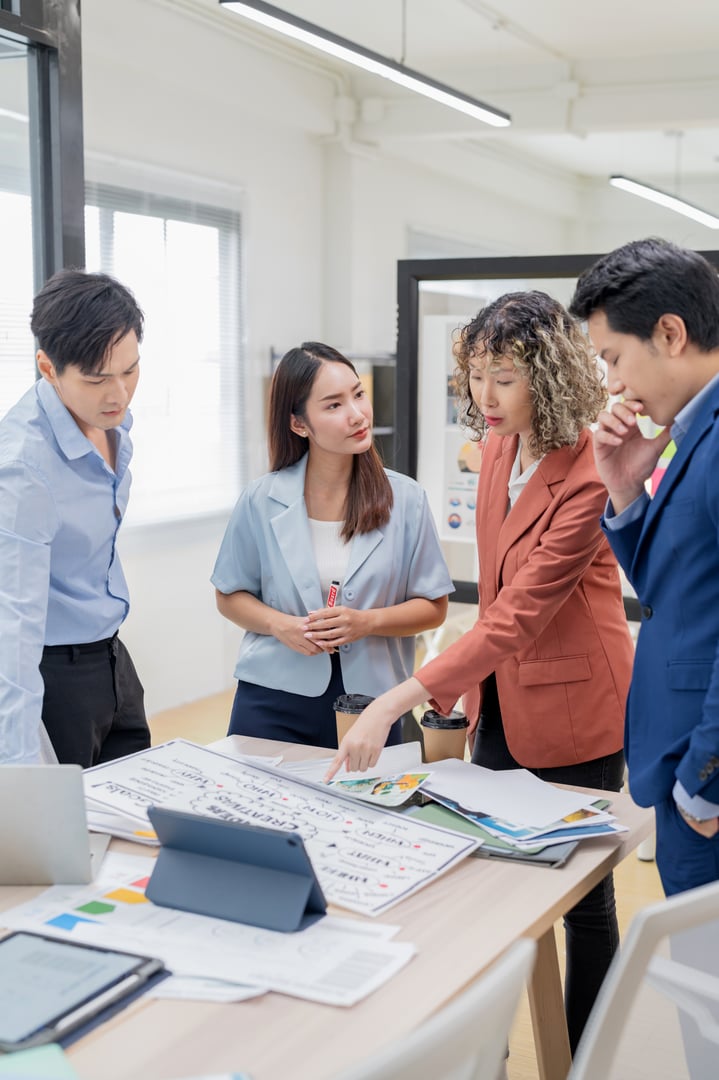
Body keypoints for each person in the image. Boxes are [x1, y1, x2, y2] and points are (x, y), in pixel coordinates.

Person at [325, 292, 634, 1052]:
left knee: (580, 900)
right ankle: (489, 1053)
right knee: (497, 882)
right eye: (474, 375)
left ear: (550, 375)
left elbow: (519, 614)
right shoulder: (497, 446)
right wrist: (459, 696)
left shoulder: (589, 469)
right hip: (501, 696)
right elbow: (491, 590)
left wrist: (397, 696)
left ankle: (588, 1055)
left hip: (574, 705)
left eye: (502, 377)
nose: (482, 397)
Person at [569, 237, 719, 898]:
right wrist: (628, 490)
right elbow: (673, 592)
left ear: (669, 332)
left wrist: (701, 787)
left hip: (703, 778)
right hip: (679, 762)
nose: (611, 383)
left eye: (612, 358)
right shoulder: (694, 434)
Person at [212, 341, 452, 749]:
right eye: (334, 405)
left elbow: (433, 607)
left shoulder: (406, 499)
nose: (357, 414)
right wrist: (279, 625)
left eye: (358, 394)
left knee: (366, 811)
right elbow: (229, 595)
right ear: (299, 424)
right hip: (272, 697)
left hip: (372, 705)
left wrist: (367, 622)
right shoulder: (261, 498)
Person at [0, 268, 150, 767]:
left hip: (112, 658)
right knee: (70, 838)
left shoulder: (111, 422)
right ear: (48, 366)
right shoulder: (24, 466)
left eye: (129, 370)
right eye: (97, 379)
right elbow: (12, 625)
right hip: (54, 677)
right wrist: (20, 768)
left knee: (132, 816)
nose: (119, 394)